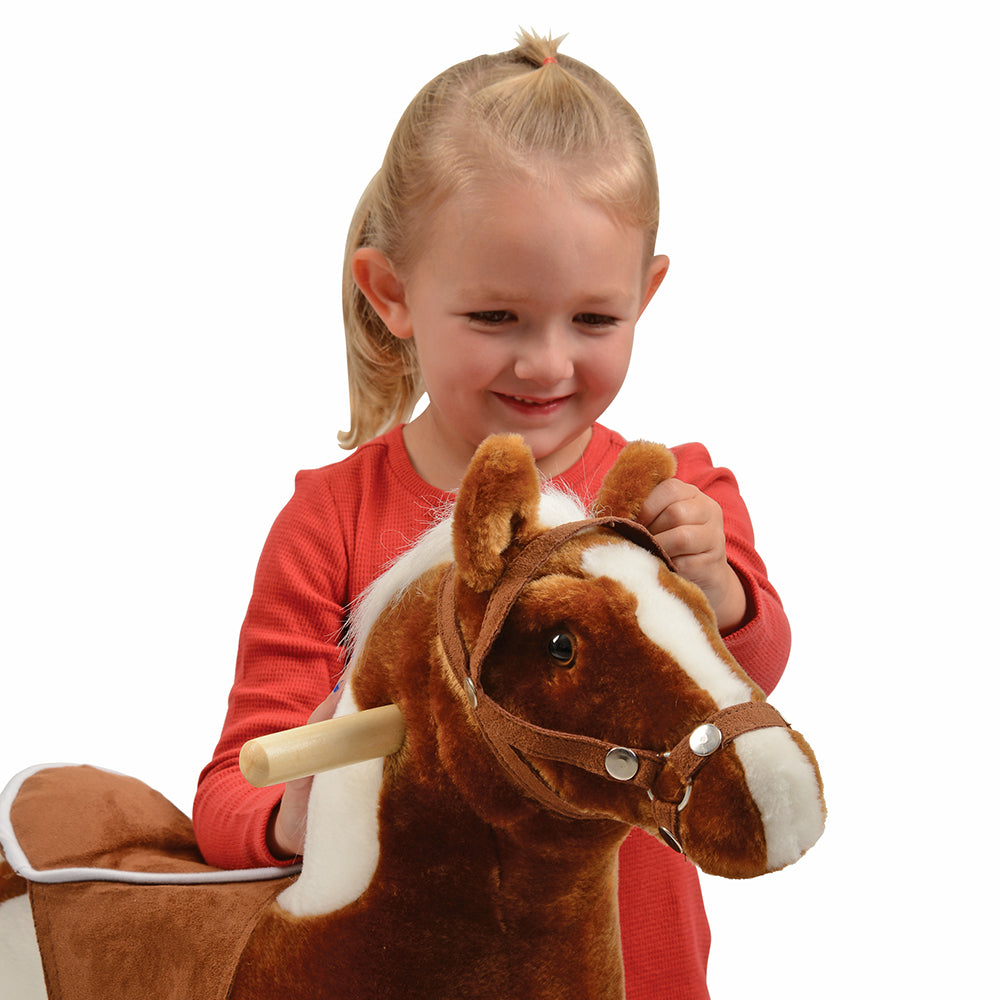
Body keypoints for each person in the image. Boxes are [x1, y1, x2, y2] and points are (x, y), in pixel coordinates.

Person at [193, 30, 791, 1000]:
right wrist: (300, 806)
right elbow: (228, 792)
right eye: (495, 318)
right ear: (391, 293)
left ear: (647, 293)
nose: (547, 363)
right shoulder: (329, 521)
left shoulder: (673, 497)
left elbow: (747, 688)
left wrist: (715, 586)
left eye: (593, 319)